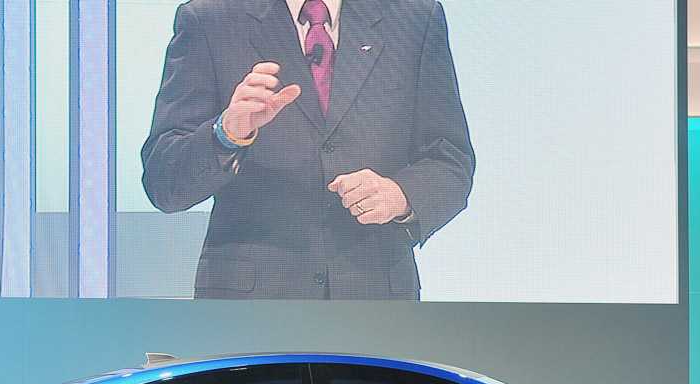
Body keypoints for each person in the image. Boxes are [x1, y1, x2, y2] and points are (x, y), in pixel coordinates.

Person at [141, 0, 474, 300]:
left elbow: (450, 160)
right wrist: (227, 132)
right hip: (249, 309)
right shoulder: (209, 19)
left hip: (376, 300)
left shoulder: (414, 17)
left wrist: (401, 195)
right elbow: (163, 184)